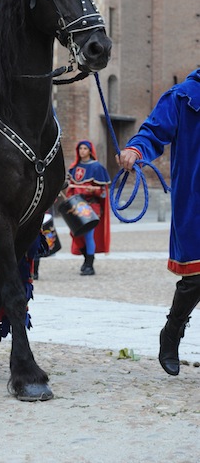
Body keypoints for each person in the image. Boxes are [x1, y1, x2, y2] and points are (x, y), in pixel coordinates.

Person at [118, 68, 200, 376]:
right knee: (196, 278)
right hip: (196, 199)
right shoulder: (184, 95)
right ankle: (172, 331)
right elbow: (154, 131)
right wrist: (136, 149)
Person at [66, 140, 111, 275]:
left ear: (90, 151)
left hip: (91, 206)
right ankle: (86, 260)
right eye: (80, 148)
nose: (82, 151)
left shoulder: (97, 167)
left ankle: (90, 265)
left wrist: (92, 190)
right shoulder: (74, 168)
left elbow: (102, 192)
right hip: (76, 207)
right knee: (76, 234)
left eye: (85, 148)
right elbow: (71, 189)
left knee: (89, 235)